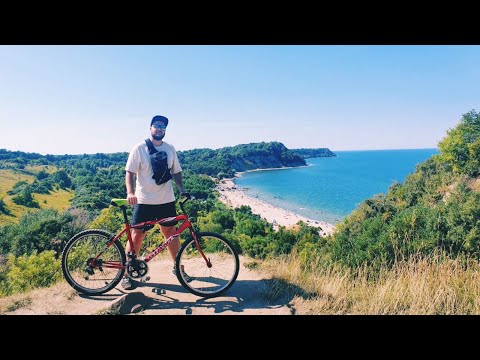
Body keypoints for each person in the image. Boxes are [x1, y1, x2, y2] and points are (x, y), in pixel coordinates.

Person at [122, 114, 190, 290]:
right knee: (136, 236)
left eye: (163, 127)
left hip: (166, 200)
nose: (160, 129)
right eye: (157, 125)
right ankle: (126, 274)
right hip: (144, 201)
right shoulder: (139, 148)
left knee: (172, 234)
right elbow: (129, 172)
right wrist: (130, 192)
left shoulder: (170, 149)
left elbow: (176, 171)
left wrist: (181, 188)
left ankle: (178, 269)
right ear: (150, 128)